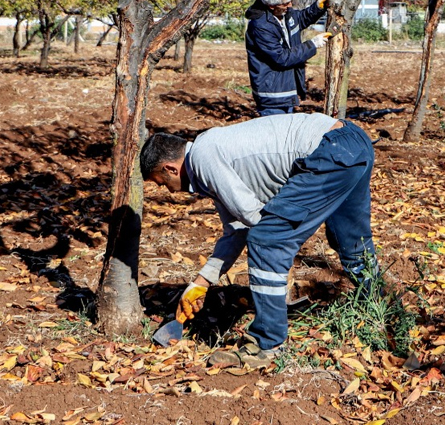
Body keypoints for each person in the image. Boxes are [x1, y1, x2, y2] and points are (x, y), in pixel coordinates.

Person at [140, 113, 377, 368]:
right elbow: (236, 231)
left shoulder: (203, 158)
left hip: (330, 151)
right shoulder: (210, 154)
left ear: (169, 168)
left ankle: (267, 343)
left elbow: (254, 219)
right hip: (353, 142)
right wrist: (200, 283)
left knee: (266, 239)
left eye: (162, 183)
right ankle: (374, 305)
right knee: (351, 237)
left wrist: (274, 247)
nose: (169, 190)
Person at [245, 0, 330, 116]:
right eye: (285, 4)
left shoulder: (285, 13)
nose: (290, 6)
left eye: (290, 1)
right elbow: (281, 57)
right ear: (272, 6)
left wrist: (318, 7)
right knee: (276, 135)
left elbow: (300, 19)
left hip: (285, 91)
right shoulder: (261, 26)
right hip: (272, 95)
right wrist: (312, 44)